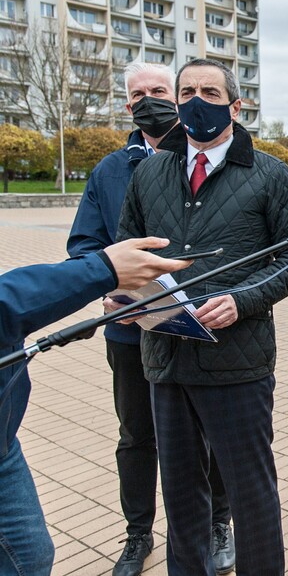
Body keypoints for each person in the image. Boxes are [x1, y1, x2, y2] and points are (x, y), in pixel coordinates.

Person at [116, 57, 288, 576]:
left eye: (209, 91)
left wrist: (243, 299)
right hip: (165, 357)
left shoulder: (270, 175)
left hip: (237, 362)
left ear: (235, 105)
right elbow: (126, 249)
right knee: (181, 493)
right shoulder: (149, 171)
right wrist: (121, 294)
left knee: (250, 493)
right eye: (186, 92)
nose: (195, 101)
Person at [67, 62, 235, 576]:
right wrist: (107, 285)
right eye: (138, 95)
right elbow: (85, 246)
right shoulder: (109, 171)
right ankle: (138, 534)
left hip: (200, 328)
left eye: (159, 90)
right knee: (136, 435)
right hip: (131, 329)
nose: (150, 100)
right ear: (127, 106)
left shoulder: (210, 159)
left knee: (208, 433)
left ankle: (217, 523)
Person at [0, 238, 190, 576]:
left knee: (30, 555)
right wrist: (101, 271)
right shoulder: (108, 183)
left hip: (4, 439)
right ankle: (138, 534)